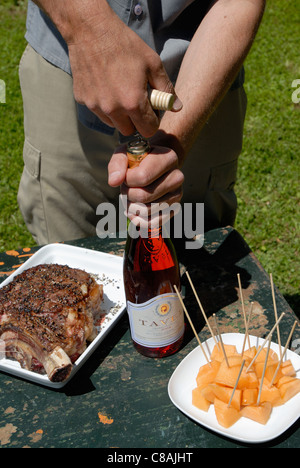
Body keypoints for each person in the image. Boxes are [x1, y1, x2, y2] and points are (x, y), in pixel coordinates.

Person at [18, 0, 265, 245]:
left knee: (194, 256)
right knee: (70, 264)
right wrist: (89, 32)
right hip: (65, 61)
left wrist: (175, 140)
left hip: (203, 71)